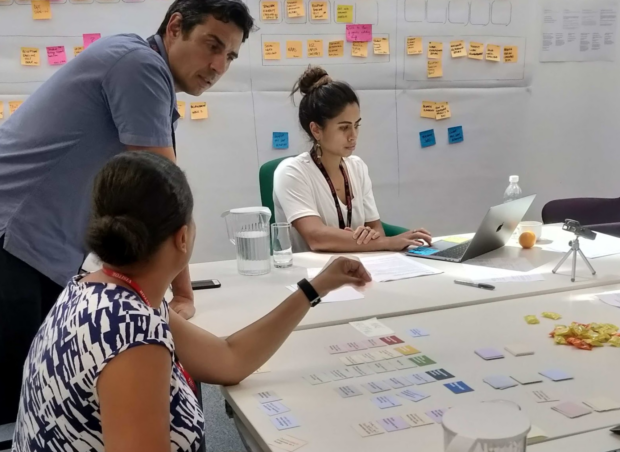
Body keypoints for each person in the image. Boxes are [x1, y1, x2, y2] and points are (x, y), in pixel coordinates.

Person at [0, 0, 254, 425]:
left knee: (35, 405)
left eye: (229, 55)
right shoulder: (140, 66)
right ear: (175, 27)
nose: (217, 65)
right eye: (212, 45)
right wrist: (184, 296)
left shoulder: (141, 68)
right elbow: (164, 200)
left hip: (37, 252)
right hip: (13, 243)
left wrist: (175, 292)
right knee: (20, 407)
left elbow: (156, 200)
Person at [12, 152, 371, 452]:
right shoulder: (132, 338)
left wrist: (317, 286)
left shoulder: (102, 291)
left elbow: (229, 360)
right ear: (183, 237)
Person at [273, 66, 433, 253]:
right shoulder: (291, 172)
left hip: (356, 267)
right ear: (316, 130)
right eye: (344, 127)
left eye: (356, 125)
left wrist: (360, 237)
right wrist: (385, 242)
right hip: (310, 276)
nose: (353, 136)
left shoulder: (357, 167)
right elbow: (316, 238)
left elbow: (376, 230)